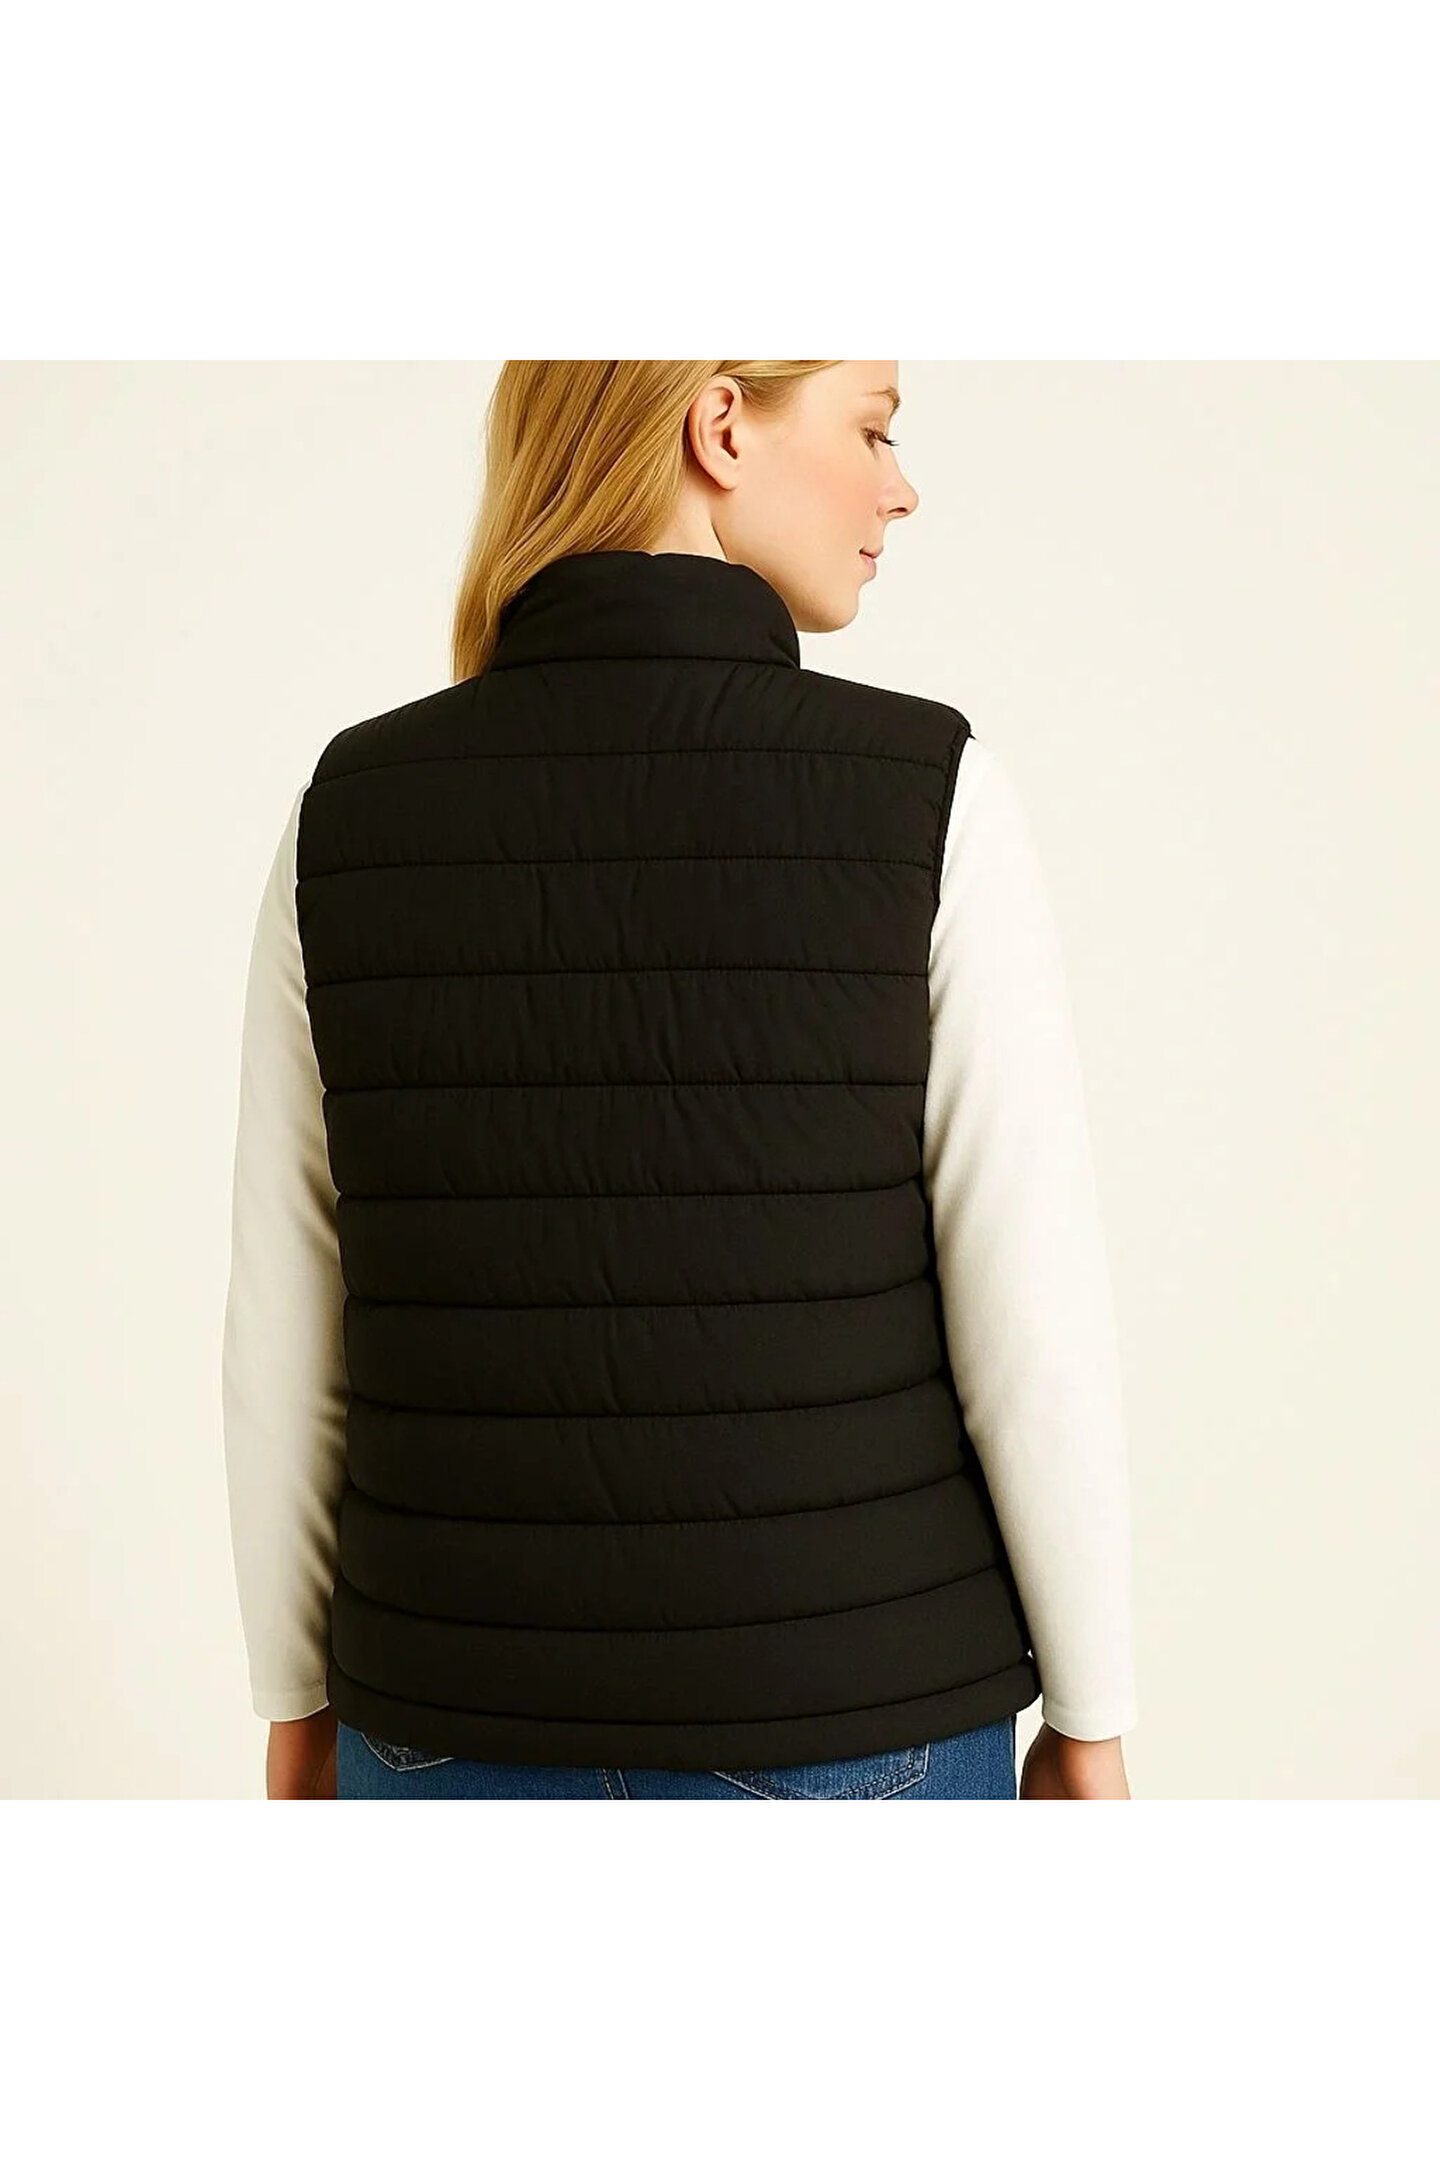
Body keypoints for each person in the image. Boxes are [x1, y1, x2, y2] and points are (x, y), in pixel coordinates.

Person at [222, 360, 1138, 1801]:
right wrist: (1093, 1712)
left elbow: (287, 1323)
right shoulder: (928, 790)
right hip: (857, 1714)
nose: (899, 487)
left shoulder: (347, 808)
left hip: (442, 1716)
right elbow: (1031, 1313)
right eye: (873, 426)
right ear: (720, 427)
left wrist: (292, 1699)